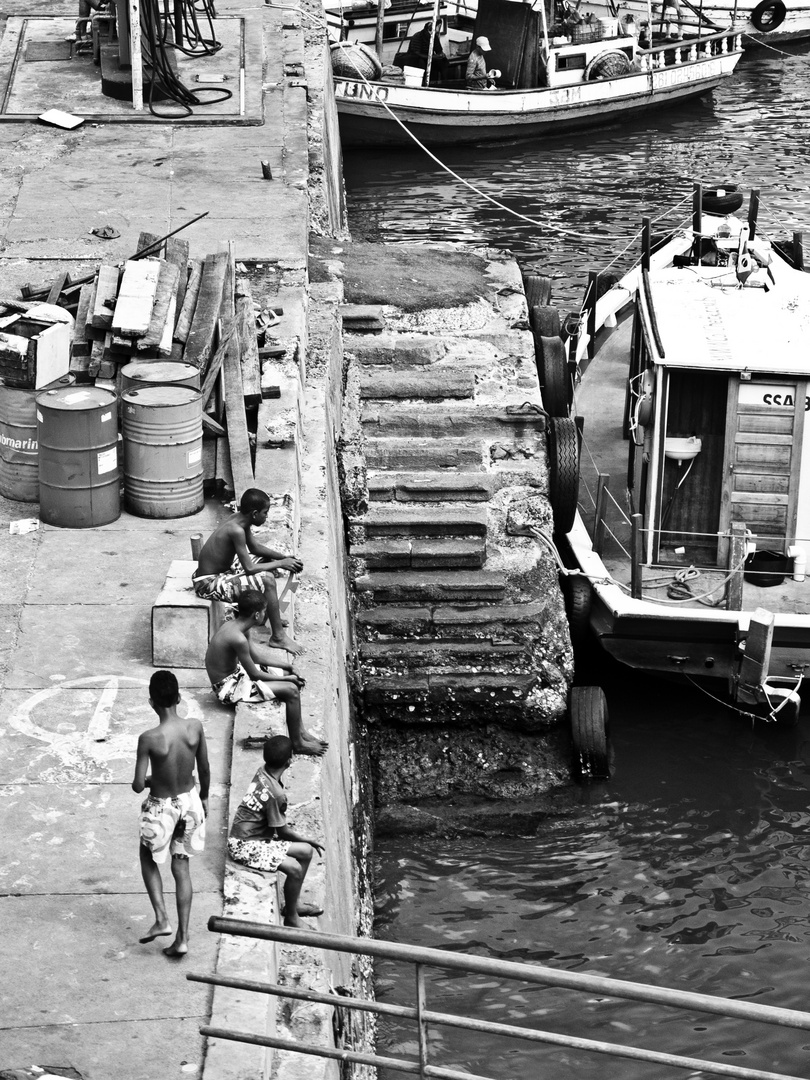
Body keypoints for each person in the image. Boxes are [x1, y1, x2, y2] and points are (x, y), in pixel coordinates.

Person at [132, 670, 209, 959]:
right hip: (190, 802)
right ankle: (183, 938)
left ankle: (162, 918)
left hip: (162, 805)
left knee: (147, 855)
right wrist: (203, 798)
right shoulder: (195, 727)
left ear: (152, 703)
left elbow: (138, 784)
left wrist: (152, 779)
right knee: (182, 868)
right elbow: (204, 769)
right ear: (179, 697)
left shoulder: (149, 738)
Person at [205, 589, 328, 757]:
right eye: (264, 611)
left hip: (237, 674)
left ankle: (301, 731)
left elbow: (255, 656)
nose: (265, 614)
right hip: (228, 687)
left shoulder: (239, 626)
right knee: (291, 690)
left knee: (286, 674)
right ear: (256, 615)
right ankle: (298, 744)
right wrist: (289, 680)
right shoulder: (238, 638)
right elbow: (255, 674)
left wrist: (288, 667)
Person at [193, 487, 304, 657]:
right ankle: (278, 637)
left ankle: (268, 614)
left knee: (268, 562)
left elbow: (254, 548)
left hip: (223, 570)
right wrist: (281, 563)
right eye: (265, 513)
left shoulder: (240, 520)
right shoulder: (236, 530)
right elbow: (250, 569)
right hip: (208, 583)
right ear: (254, 513)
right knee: (267, 580)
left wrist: (283, 558)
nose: (266, 517)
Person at [228, 735, 324, 928]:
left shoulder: (263, 771)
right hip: (245, 845)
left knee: (305, 852)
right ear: (290, 760)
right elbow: (283, 833)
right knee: (294, 868)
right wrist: (309, 839)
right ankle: (291, 918)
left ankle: (293, 903)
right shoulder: (276, 794)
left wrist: (307, 844)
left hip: (253, 837)